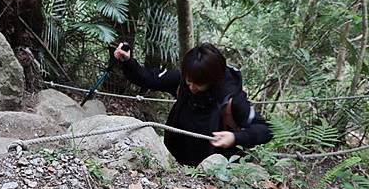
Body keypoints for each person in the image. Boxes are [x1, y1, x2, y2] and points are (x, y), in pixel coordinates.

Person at [113, 42, 272, 167]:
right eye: (189, 80)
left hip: (214, 170)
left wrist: (235, 137)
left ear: (213, 80)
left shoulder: (232, 100)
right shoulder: (184, 80)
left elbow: (265, 130)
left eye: (199, 83)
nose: (192, 87)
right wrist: (128, 62)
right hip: (177, 161)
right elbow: (149, 77)